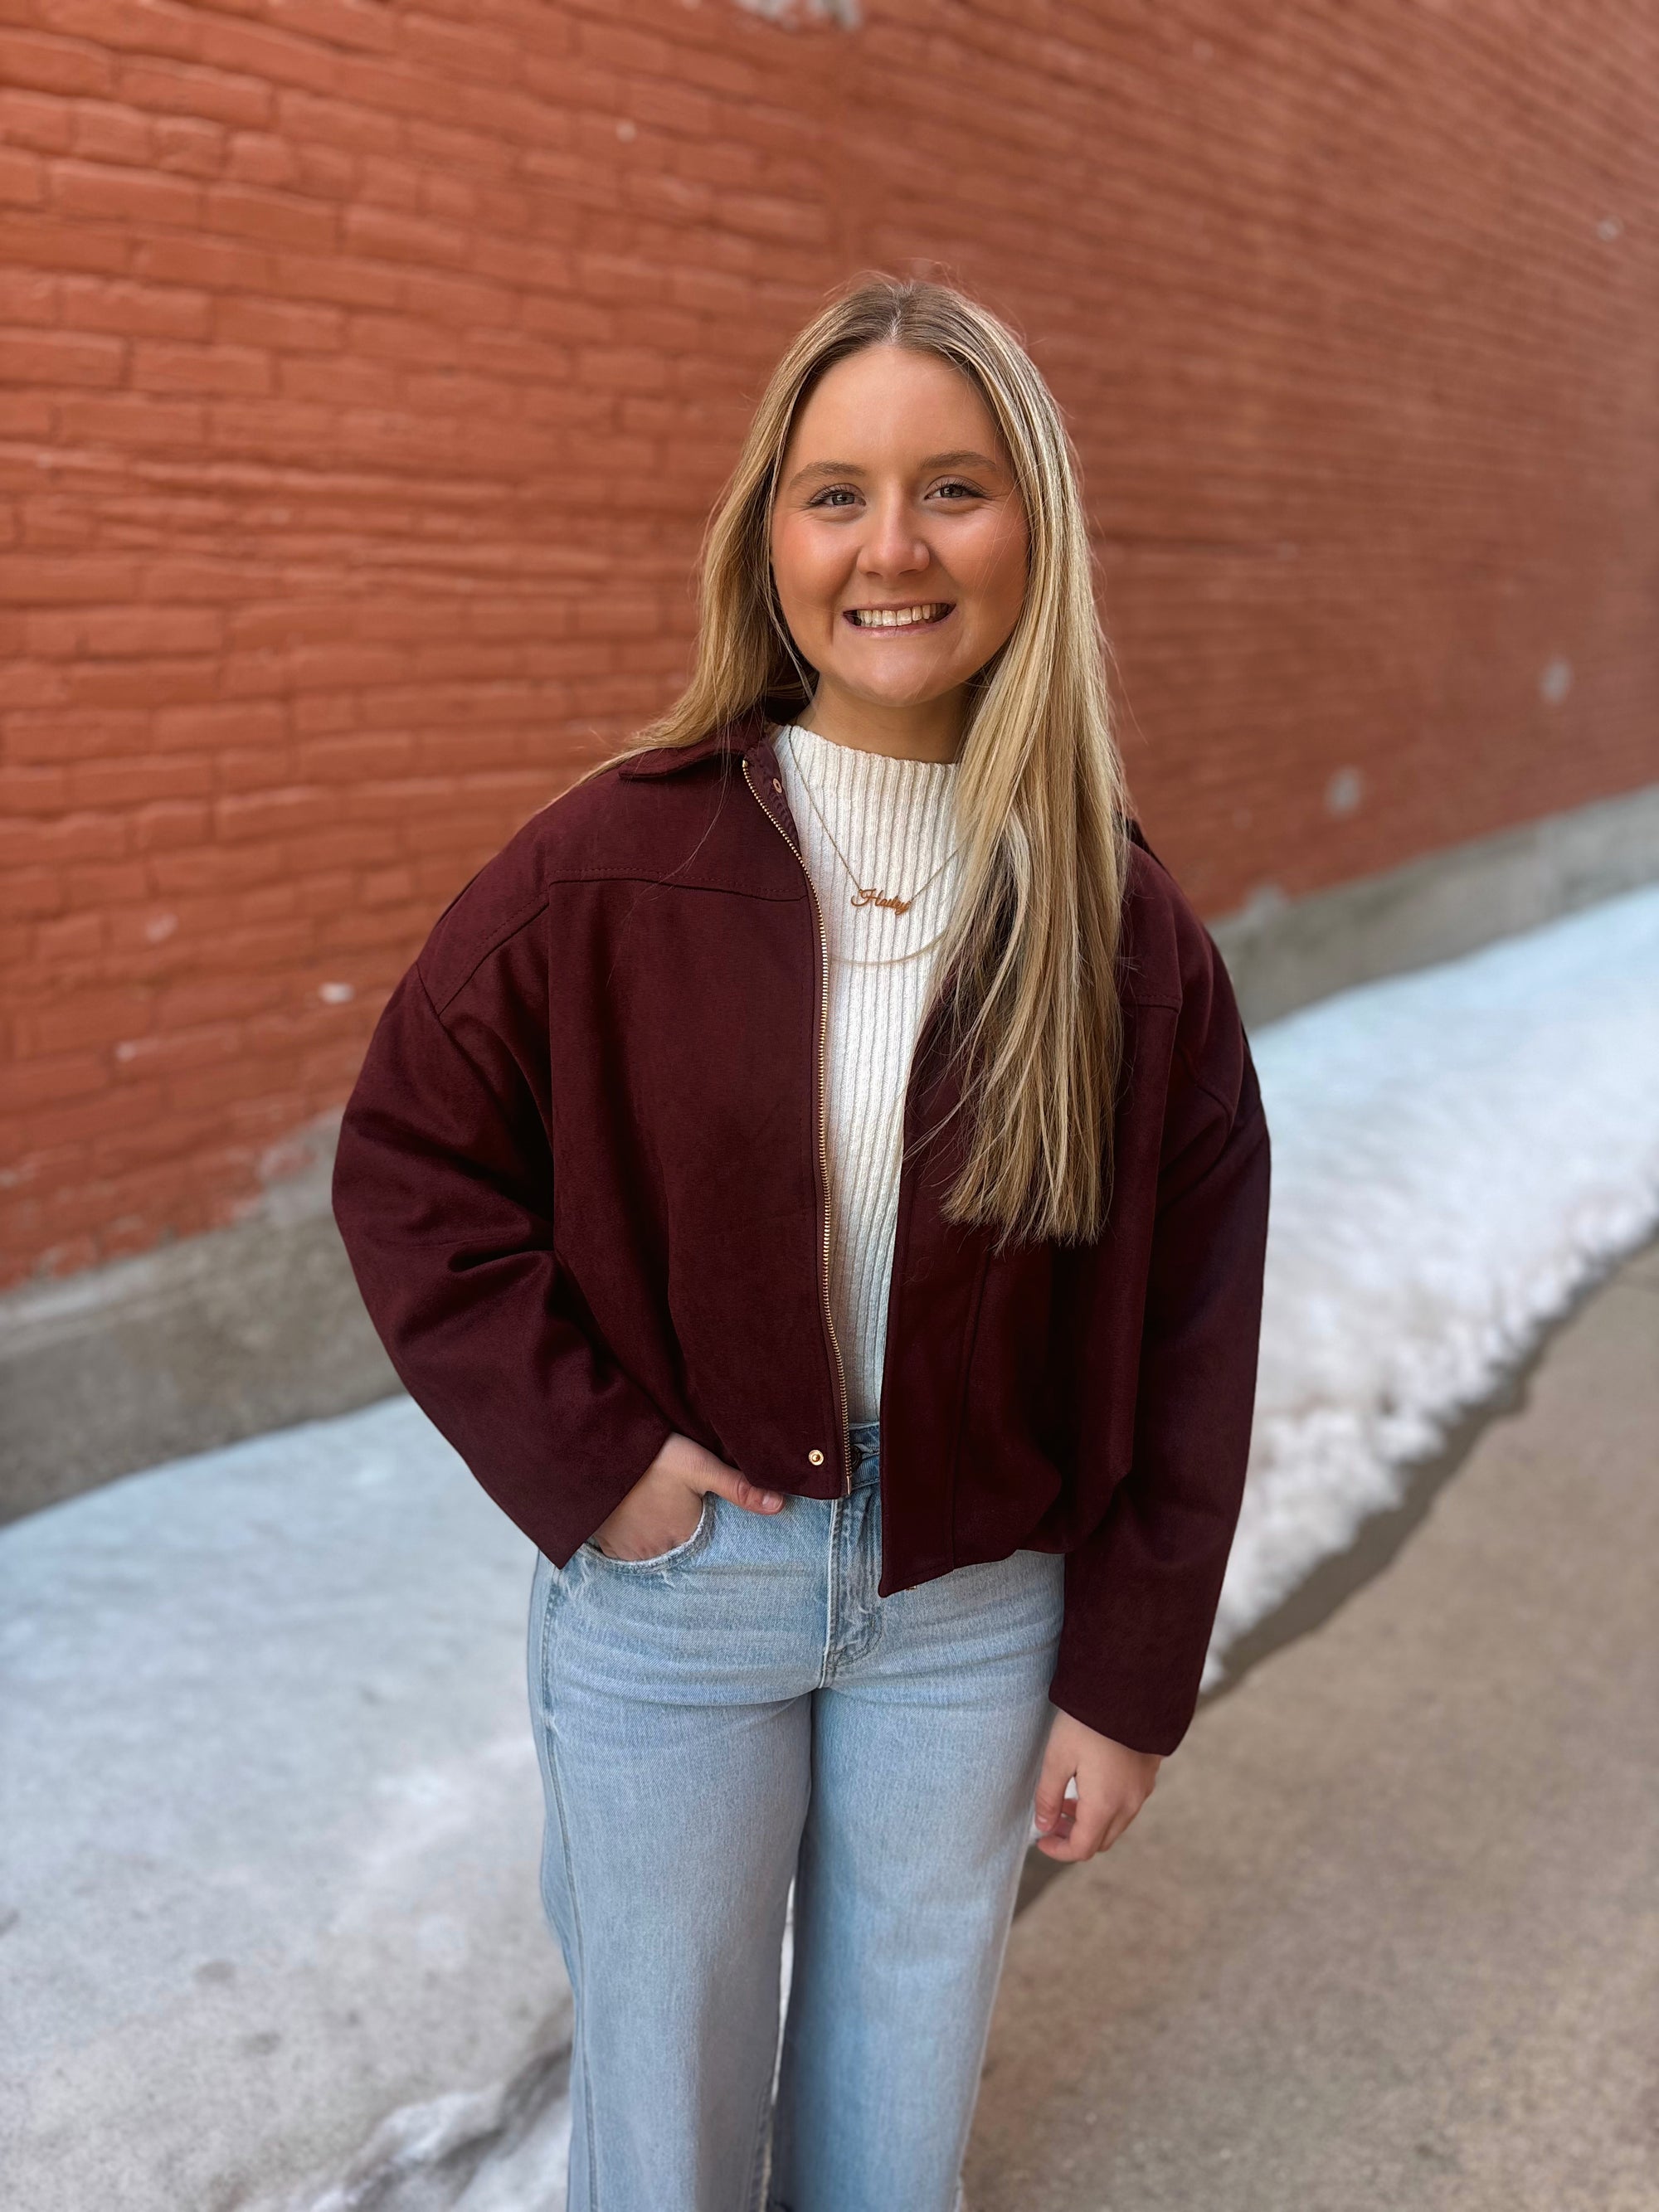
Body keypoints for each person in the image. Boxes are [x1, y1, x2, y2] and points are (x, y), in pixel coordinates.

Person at [331, 273, 1271, 2212]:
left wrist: (1126, 1666)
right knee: (662, 2116)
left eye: (954, 487)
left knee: (894, 2113)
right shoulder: (609, 862)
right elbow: (413, 1163)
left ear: (1035, 529)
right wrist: (600, 1465)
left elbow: (1193, 1316)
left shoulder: (1114, 920)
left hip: (970, 1610)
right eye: (834, 492)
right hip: (684, 1594)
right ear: (769, 538)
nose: (893, 547)